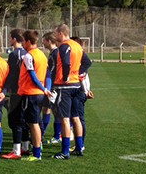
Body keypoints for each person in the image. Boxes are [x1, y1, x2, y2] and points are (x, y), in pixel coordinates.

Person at [49, 24, 92, 159]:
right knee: (76, 118)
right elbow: (87, 62)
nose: (55, 36)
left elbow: (66, 63)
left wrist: (67, 75)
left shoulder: (64, 46)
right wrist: (78, 73)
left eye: (56, 34)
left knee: (64, 120)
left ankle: (65, 151)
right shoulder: (77, 46)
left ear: (61, 33)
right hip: (76, 86)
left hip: (64, 87)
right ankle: (79, 147)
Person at [17, 30, 50, 161]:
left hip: (32, 93)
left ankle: (36, 154)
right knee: (36, 122)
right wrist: (45, 88)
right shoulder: (42, 55)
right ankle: (37, 148)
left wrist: (43, 89)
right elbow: (47, 74)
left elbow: (33, 77)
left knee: (33, 123)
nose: (23, 44)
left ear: (29, 41)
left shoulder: (29, 56)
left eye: (24, 41)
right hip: (38, 94)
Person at [2, 29, 28, 159]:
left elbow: (12, 75)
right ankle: (25, 147)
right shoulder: (26, 53)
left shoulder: (14, 54)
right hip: (26, 90)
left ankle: (16, 150)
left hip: (17, 91)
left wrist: (4, 90)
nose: (9, 39)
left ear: (13, 38)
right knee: (23, 119)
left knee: (15, 120)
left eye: (10, 37)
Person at [41, 32, 61, 146]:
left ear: (49, 41)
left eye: (44, 40)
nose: (42, 43)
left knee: (54, 110)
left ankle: (57, 135)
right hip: (52, 86)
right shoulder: (53, 53)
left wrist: (51, 86)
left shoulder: (55, 53)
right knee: (47, 109)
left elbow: (54, 71)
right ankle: (43, 132)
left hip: (54, 87)